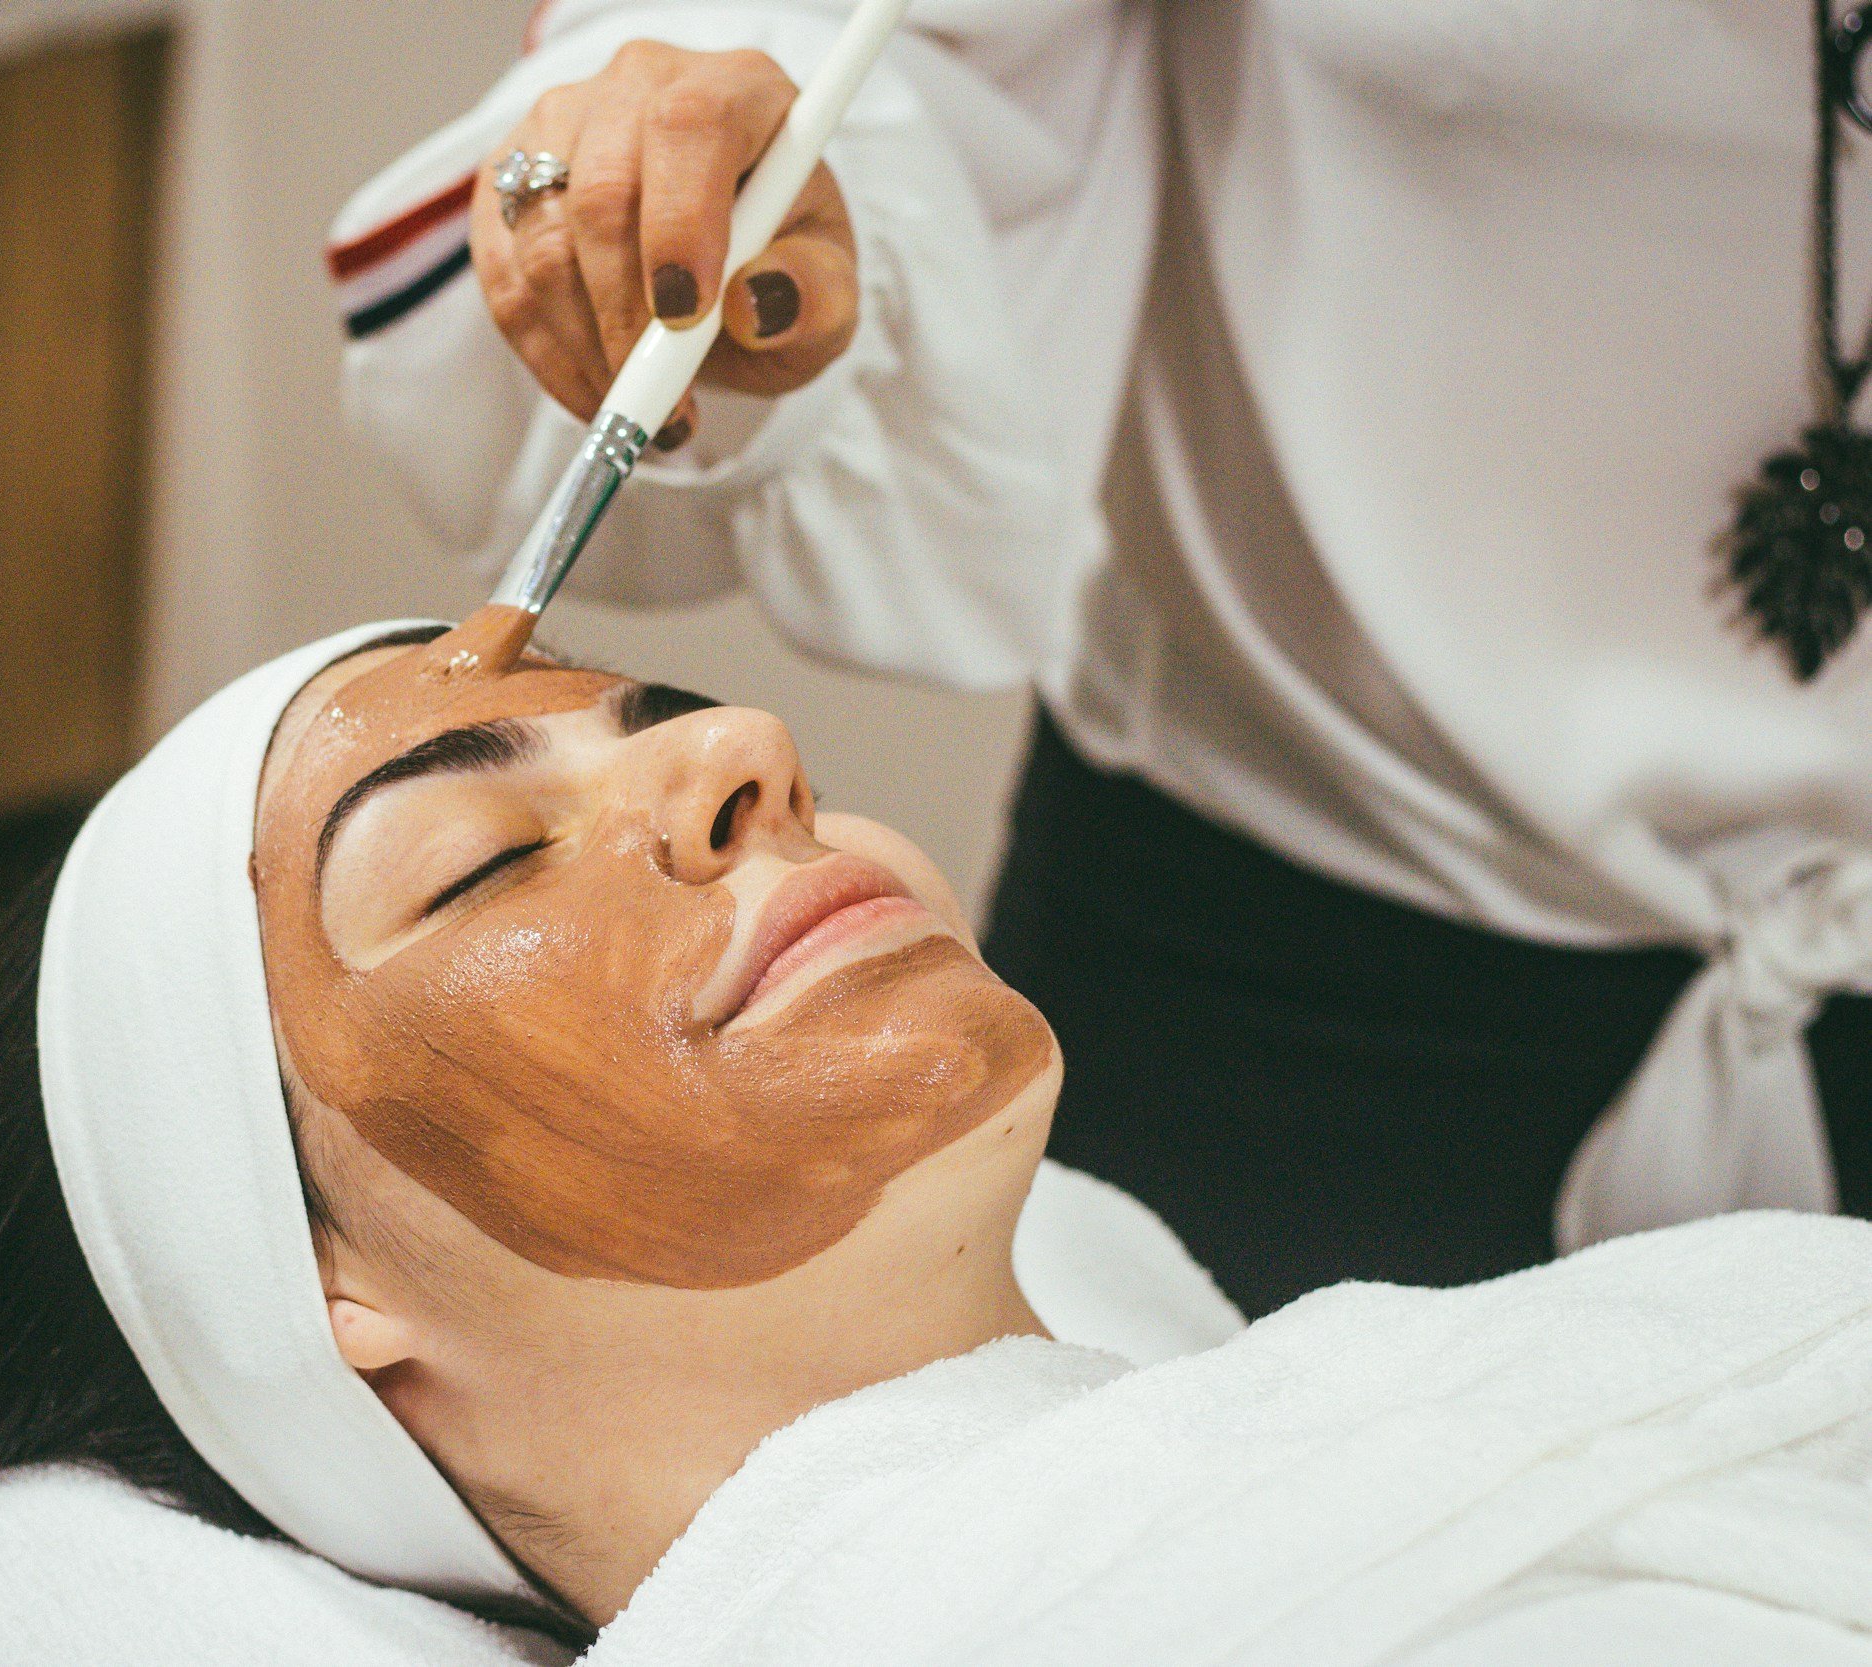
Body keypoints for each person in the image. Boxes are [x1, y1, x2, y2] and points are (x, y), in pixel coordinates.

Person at [0, 615, 1872, 1665]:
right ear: (311, 1287)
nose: (744, 747)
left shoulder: (1396, 1443)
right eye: (471, 866)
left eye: (659, 722)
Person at [326, 1, 1872, 1314]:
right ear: (340, 1317)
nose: (745, 750)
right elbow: (861, 58)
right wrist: (729, 176)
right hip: (1286, 1000)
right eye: (469, 861)